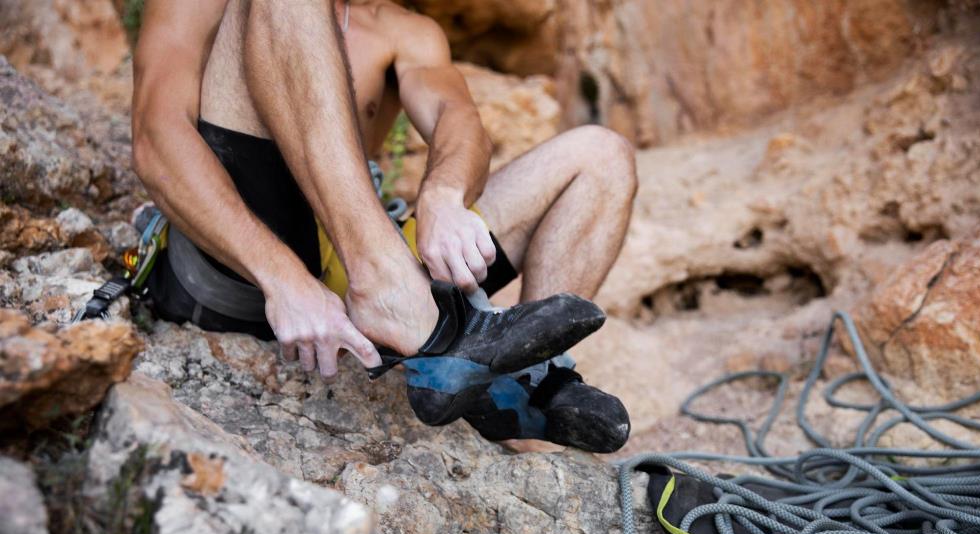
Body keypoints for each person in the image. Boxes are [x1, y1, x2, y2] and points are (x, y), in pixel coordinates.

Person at [131, 0, 638, 452]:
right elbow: (156, 139)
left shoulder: (402, 29)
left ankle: (523, 382)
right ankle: (402, 303)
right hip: (235, 266)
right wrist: (282, 278)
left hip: (350, 260)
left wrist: (443, 194)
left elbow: (456, 119)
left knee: (600, 157)